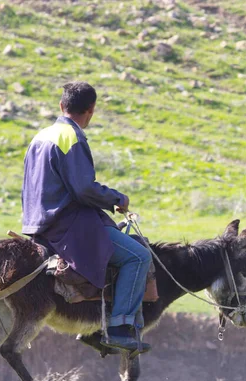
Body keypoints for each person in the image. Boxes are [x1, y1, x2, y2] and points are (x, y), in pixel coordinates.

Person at [21, 81, 151, 353]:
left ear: (61, 105)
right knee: (139, 256)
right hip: (68, 225)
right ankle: (118, 327)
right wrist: (117, 198)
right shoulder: (72, 137)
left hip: (37, 224)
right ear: (91, 110)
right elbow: (82, 189)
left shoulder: (41, 136)